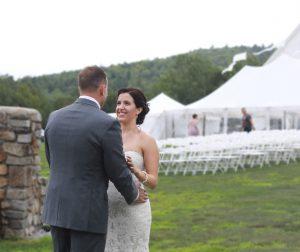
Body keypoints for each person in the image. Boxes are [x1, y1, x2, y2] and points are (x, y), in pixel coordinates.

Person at [42, 66, 148, 252]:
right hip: (87, 213)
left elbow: (53, 162)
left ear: (80, 87)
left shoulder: (54, 117)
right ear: (102, 89)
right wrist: (134, 194)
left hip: (57, 210)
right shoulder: (106, 123)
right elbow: (117, 170)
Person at [105, 88, 159, 252]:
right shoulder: (107, 136)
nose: (120, 107)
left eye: (126, 103)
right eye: (119, 103)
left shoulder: (147, 141)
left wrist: (136, 171)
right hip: (106, 209)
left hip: (134, 210)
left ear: (139, 109)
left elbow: (153, 182)